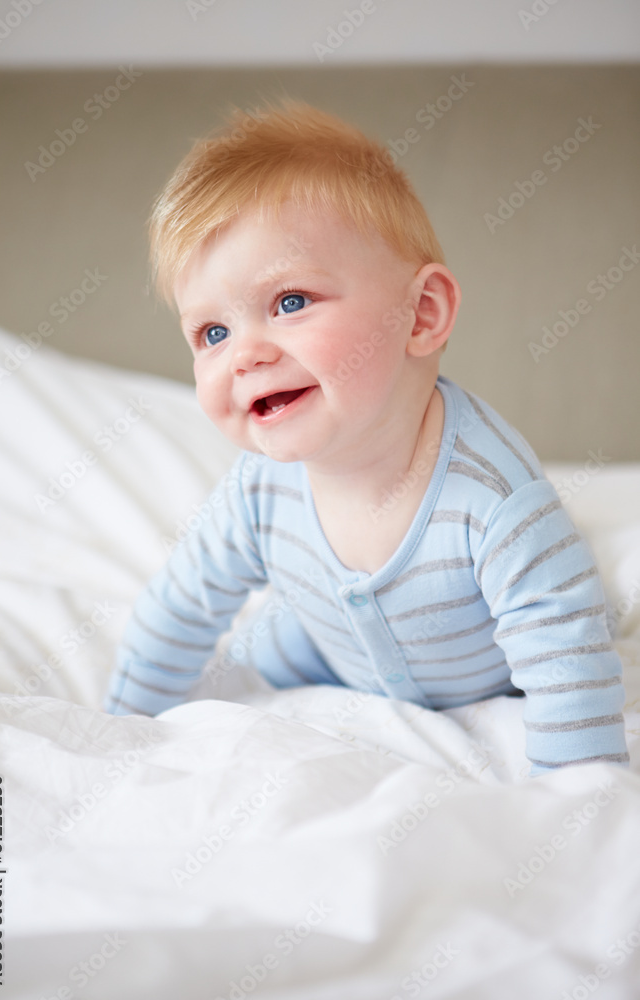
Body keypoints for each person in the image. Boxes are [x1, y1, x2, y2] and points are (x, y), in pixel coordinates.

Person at [103, 97, 629, 777]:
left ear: (421, 315)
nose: (244, 354)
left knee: (574, 618)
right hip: (323, 650)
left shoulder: (492, 497)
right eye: (212, 332)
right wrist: (121, 730)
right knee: (265, 651)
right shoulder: (258, 489)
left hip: (485, 676)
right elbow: (177, 608)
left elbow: (567, 664)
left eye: (289, 302)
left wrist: (577, 803)